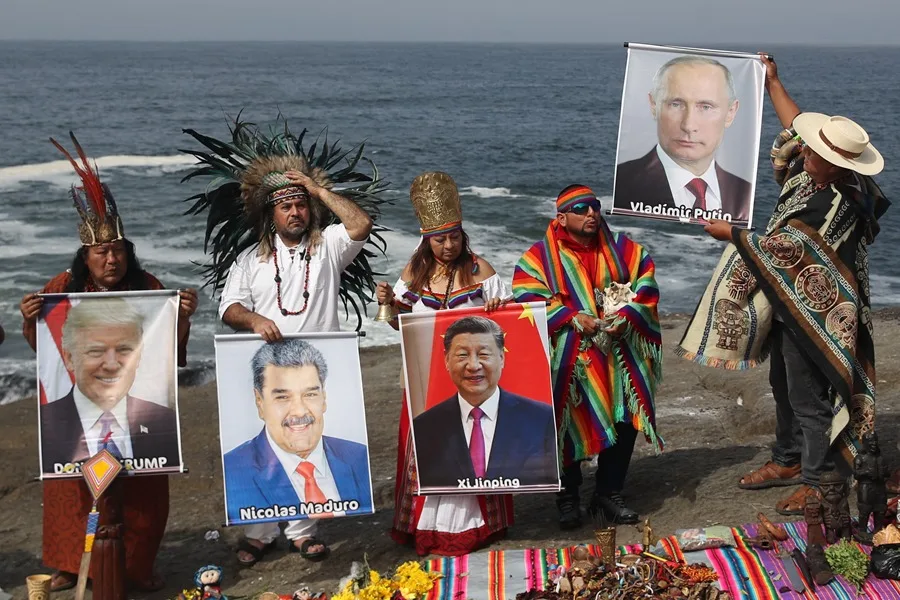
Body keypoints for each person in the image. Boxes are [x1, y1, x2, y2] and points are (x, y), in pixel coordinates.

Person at [679, 54, 888, 516]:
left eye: (813, 153)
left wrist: (732, 234)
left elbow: (788, 250)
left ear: (837, 164)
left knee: (810, 396)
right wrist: (773, 80)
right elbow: (795, 126)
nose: (803, 153)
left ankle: (819, 482)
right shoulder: (813, 173)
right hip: (788, 297)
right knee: (784, 382)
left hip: (821, 313)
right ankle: (789, 457)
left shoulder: (841, 202)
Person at [182, 117, 383, 565]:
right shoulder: (249, 260)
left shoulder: (329, 246)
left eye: (300, 205)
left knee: (308, 441)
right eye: (286, 206)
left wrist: (317, 189)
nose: (295, 212)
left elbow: (360, 224)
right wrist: (255, 320)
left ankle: (303, 532)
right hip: (270, 368)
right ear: (271, 214)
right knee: (269, 444)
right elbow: (229, 308)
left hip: (315, 369)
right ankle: (260, 532)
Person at [19, 133, 198, 592]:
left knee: (142, 489)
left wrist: (182, 316)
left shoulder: (148, 286)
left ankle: (136, 567)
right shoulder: (61, 287)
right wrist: (30, 317)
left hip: (134, 410)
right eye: (102, 252)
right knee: (71, 487)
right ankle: (69, 565)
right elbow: (47, 351)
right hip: (77, 413)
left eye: (118, 250)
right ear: (86, 256)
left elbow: (164, 351)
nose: (112, 259)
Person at [374, 171, 514, 556]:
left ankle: (473, 525)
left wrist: (498, 308)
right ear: (426, 239)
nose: (449, 245)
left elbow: (509, 325)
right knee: (429, 450)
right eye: (440, 239)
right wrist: (387, 302)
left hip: (472, 380)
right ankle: (428, 527)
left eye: (454, 237)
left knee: (471, 448)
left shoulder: (480, 270)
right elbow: (398, 324)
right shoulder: (413, 273)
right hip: (425, 377)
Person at [513, 184, 663, 529]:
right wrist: (570, 316)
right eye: (581, 209)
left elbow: (646, 279)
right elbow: (525, 296)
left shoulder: (622, 249)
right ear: (562, 218)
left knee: (625, 417)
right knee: (566, 422)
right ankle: (567, 496)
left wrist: (628, 315)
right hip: (571, 357)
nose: (592, 213)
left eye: (595, 206)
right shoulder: (539, 257)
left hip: (618, 353)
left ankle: (609, 492)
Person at [223, 338, 372, 523]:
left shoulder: (358, 456)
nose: (300, 411)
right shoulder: (232, 472)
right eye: (283, 397)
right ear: (259, 402)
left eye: (310, 394)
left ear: (324, 398)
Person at [412, 315, 557, 489]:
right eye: (462, 355)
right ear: (446, 360)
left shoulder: (541, 418)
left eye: (484, 354)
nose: (473, 365)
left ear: (501, 358)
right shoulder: (424, 427)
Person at [39, 297, 180, 474]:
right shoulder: (45, 425)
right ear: (69, 358)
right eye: (96, 351)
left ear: (139, 355)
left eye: (124, 350)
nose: (112, 365)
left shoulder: (163, 421)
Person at [614, 55, 752, 225]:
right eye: (676, 104)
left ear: (730, 113)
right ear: (654, 105)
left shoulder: (745, 193)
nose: (688, 125)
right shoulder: (621, 183)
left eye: (706, 107)